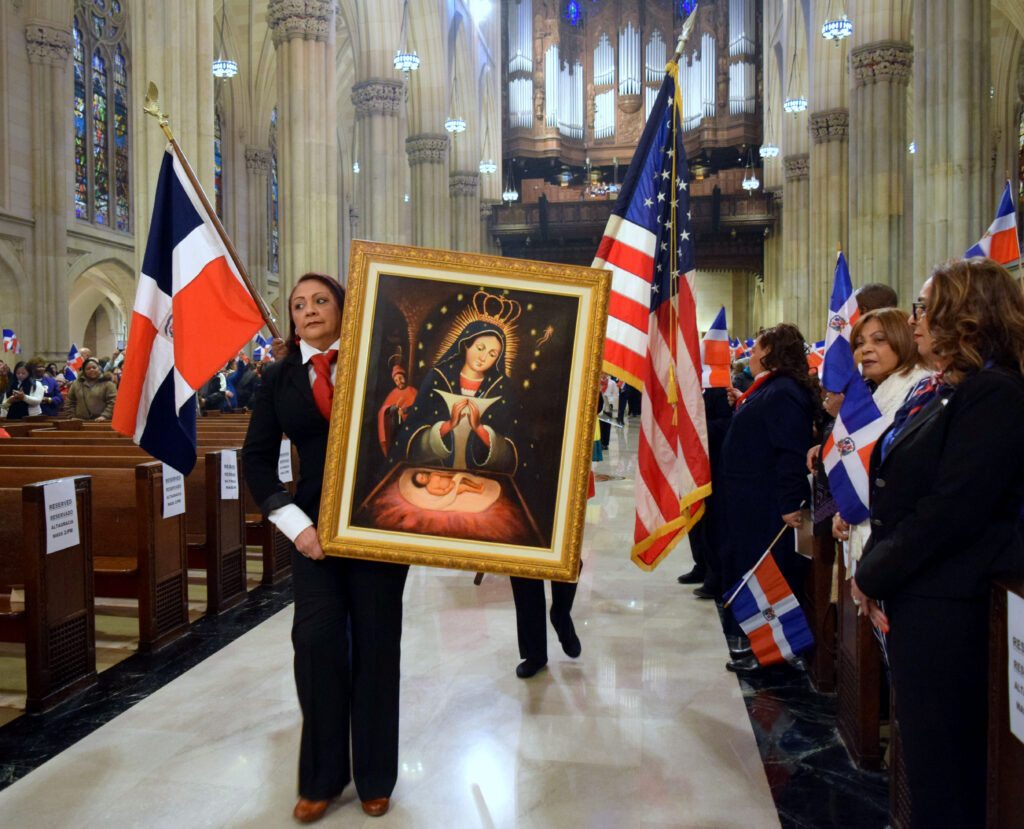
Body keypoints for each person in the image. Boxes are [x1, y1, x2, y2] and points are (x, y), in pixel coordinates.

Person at [853, 258, 1024, 828]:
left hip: (952, 611)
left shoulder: (995, 394)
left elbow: (949, 511)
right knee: (926, 768)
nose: (915, 318)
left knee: (947, 775)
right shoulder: (949, 390)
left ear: (965, 316)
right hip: (921, 600)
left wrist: (874, 572)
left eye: (925, 307)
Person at [243, 272, 408, 823]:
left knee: (377, 648)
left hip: (379, 527)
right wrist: (295, 524)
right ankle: (322, 776)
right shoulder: (279, 378)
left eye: (320, 300)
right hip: (312, 531)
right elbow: (257, 459)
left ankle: (375, 777)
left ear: (342, 306)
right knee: (315, 646)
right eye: (298, 304)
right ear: (291, 319)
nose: (309, 310)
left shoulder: (378, 363)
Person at [717, 324, 819, 671]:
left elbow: (791, 450)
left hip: (768, 504)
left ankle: (773, 653)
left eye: (756, 346)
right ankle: (761, 643)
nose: (750, 354)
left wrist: (792, 502)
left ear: (769, 352)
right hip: (750, 500)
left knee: (769, 574)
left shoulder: (784, 391)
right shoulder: (769, 389)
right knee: (753, 570)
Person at [831, 308, 929, 574]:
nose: (866, 350)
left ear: (904, 339)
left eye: (879, 340)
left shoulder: (920, 389)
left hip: (899, 543)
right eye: (860, 343)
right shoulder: (875, 392)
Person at [377, 365, 416, 455]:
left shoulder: (412, 391)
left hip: (410, 427)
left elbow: (418, 407)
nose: (399, 382)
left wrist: (405, 410)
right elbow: (384, 411)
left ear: (404, 377)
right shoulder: (393, 393)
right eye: (396, 381)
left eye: (400, 378)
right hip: (395, 429)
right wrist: (395, 406)